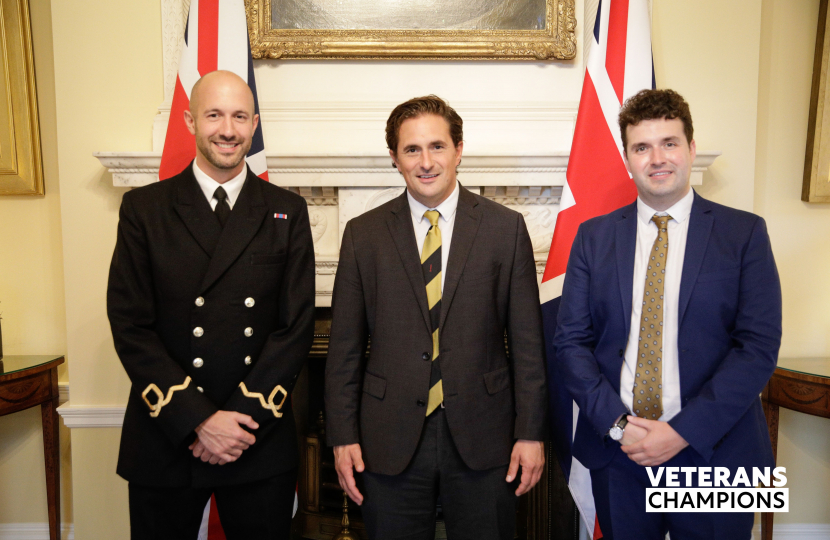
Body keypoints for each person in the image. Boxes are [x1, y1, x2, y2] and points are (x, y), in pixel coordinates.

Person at [555, 89, 782, 539]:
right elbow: (570, 343)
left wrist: (681, 431)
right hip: (621, 454)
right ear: (627, 159)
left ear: (691, 149)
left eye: (670, 143)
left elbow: (756, 348)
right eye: (642, 147)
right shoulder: (593, 237)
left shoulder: (744, 233)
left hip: (716, 454)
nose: (657, 158)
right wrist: (620, 428)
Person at [324, 95, 548, 539]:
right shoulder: (362, 235)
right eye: (412, 150)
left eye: (437, 146)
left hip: (486, 437)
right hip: (387, 441)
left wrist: (531, 433)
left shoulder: (506, 230)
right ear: (395, 158)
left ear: (459, 149)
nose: (426, 162)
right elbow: (344, 350)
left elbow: (528, 347)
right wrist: (342, 436)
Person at [107, 70, 315, 539]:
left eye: (240, 116)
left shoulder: (287, 210)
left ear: (254, 123)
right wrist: (198, 420)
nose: (228, 129)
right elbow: (130, 324)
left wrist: (240, 420)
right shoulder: (145, 209)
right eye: (214, 115)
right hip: (168, 435)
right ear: (189, 121)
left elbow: (295, 326)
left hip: (255, 436)